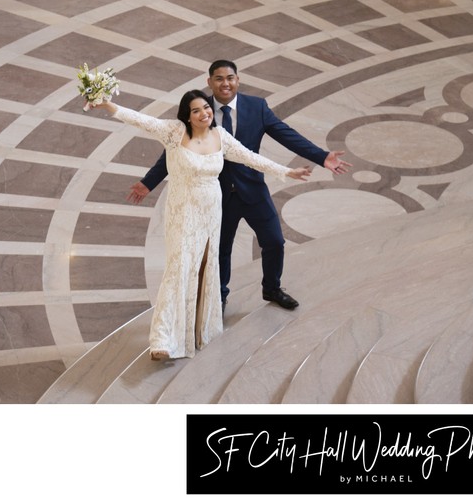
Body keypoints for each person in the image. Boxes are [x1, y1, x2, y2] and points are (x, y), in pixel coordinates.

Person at [91, 90, 311, 360]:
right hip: (182, 210)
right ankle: (161, 338)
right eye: (196, 110)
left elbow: (251, 158)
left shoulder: (221, 137)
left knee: (206, 266)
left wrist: (287, 171)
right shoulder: (174, 132)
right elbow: (141, 120)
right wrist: (108, 106)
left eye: (206, 108)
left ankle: (198, 330)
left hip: (211, 211)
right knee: (179, 266)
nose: (204, 113)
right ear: (187, 115)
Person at [128, 60, 351, 312]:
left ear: (238, 80)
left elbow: (287, 134)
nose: (226, 83)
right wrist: (149, 183)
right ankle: (219, 298)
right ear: (209, 82)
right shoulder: (201, 110)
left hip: (253, 189)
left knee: (275, 242)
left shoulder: (257, 107)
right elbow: (176, 149)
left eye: (230, 78)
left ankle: (272, 288)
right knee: (221, 250)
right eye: (219, 78)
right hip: (218, 195)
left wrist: (321, 156)